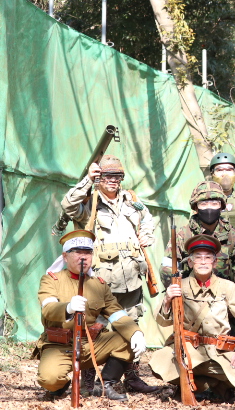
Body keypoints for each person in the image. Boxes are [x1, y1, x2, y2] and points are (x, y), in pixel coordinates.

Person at [60, 154, 158, 393]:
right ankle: (89, 380)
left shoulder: (131, 200)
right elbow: (68, 205)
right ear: (98, 178)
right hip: (102, 280)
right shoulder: (90, 203)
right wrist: (87, 180)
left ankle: (131, 378)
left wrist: (147, 233)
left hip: (131, 277)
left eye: (117, 176)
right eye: (107, 176)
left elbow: (147, 218)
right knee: (96, 328)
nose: (113, 180)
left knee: (131, 325)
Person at [151, 235, 235, 405]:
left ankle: (213, 384)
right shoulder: (179, 286)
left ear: (214, 263)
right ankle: (199, 385)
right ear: (190, 262)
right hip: (188, 351)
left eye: (208, 258)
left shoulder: (228, 287)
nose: (203, 262)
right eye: (198, 257)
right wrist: (167, 300)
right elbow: (163, 321)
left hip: (219, 352)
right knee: (161, 361)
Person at [37, 229, 147, 401]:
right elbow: (48, 309)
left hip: (91, 344)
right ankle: (60, 385)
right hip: (59, 345)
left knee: (127, 339)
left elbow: (116, 313)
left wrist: (135, 332)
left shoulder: (99, 285)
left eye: (88, 252)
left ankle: (104, 384)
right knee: (49, 380)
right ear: (65, 256)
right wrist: (68, 308)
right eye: (77, 252)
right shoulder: (51, 280)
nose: (83, 257)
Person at [160, 181, 235, 297]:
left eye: (214, 203)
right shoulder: (183, 235)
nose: (209, 208)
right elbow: (167, 268)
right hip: (189, 297)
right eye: (204, 204)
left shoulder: (233, 236)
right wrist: (181, 293)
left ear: (221, 206)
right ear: (196, 207)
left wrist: (232, 297)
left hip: (223, 298)